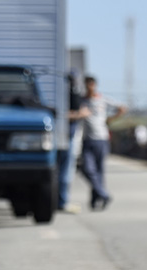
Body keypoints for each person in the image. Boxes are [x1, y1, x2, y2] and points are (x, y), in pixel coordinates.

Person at [79, 76, 126, 211]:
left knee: (99, 172)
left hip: (101, 138)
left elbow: (122, 108)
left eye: (91, 85)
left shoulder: (102, 99)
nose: (89, 88)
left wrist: (110, 119)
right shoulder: (83, 101)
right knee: (87, 169)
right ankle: (103, 194)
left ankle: (96, 199)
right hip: (87, 139)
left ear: (95, 85)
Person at [57, 73, 89, 213]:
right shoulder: (71, 93)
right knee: (65, 172)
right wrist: (79, 114)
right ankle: (62, 202)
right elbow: (71, 114)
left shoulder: (59, 92)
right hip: (65, 137)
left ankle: (60, 201)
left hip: (64, 136)